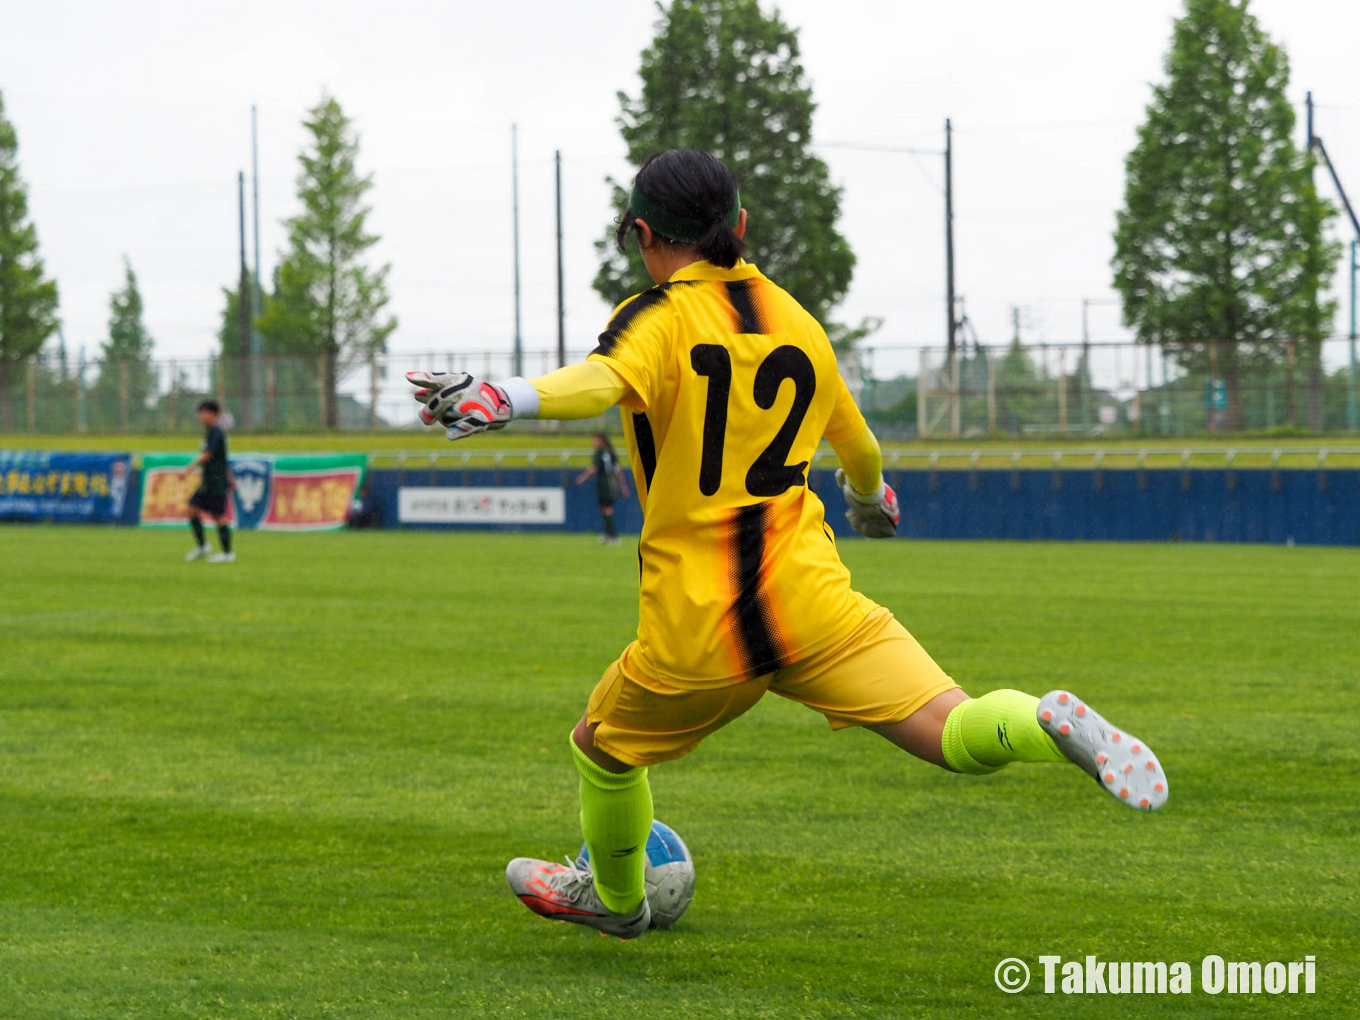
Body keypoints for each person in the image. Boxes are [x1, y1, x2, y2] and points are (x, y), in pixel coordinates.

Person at [406, 149, 1167, 940]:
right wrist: (870, 504)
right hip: (812, 600)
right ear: (738, 226)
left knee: (600, 748)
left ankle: (618, 900)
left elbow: (599, 381)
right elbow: (862, 450)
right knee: (951, 728)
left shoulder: (655, 319)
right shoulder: (800, 325)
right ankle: (1039, 721)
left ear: (641, 234)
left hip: (699, 629)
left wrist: (506, 397)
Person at [183, 400, 235, 563]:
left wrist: (190, 468)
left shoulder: (216, 432)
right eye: (201, 413)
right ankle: (202, 546)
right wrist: (231, 478)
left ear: (215, 415)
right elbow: (222, 458)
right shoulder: (210, 432)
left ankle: (227, 553)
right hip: (208, 481)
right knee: (192, 509)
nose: (202, 416)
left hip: (216, 482)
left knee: (219, 516)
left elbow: (208, 455)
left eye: (206, 413)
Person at [576, 432, 630, 544]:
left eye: (594, 440)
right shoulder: (610, 451)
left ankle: (613, 536)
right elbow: (618, 469)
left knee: (606, 509)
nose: (593, 442)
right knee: (605, 509)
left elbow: (594, 468)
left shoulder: (599, 452)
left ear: (601, 440)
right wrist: (623, 486)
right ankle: (608, 534)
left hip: (604, 483)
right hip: (612, 482)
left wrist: (582, 477)